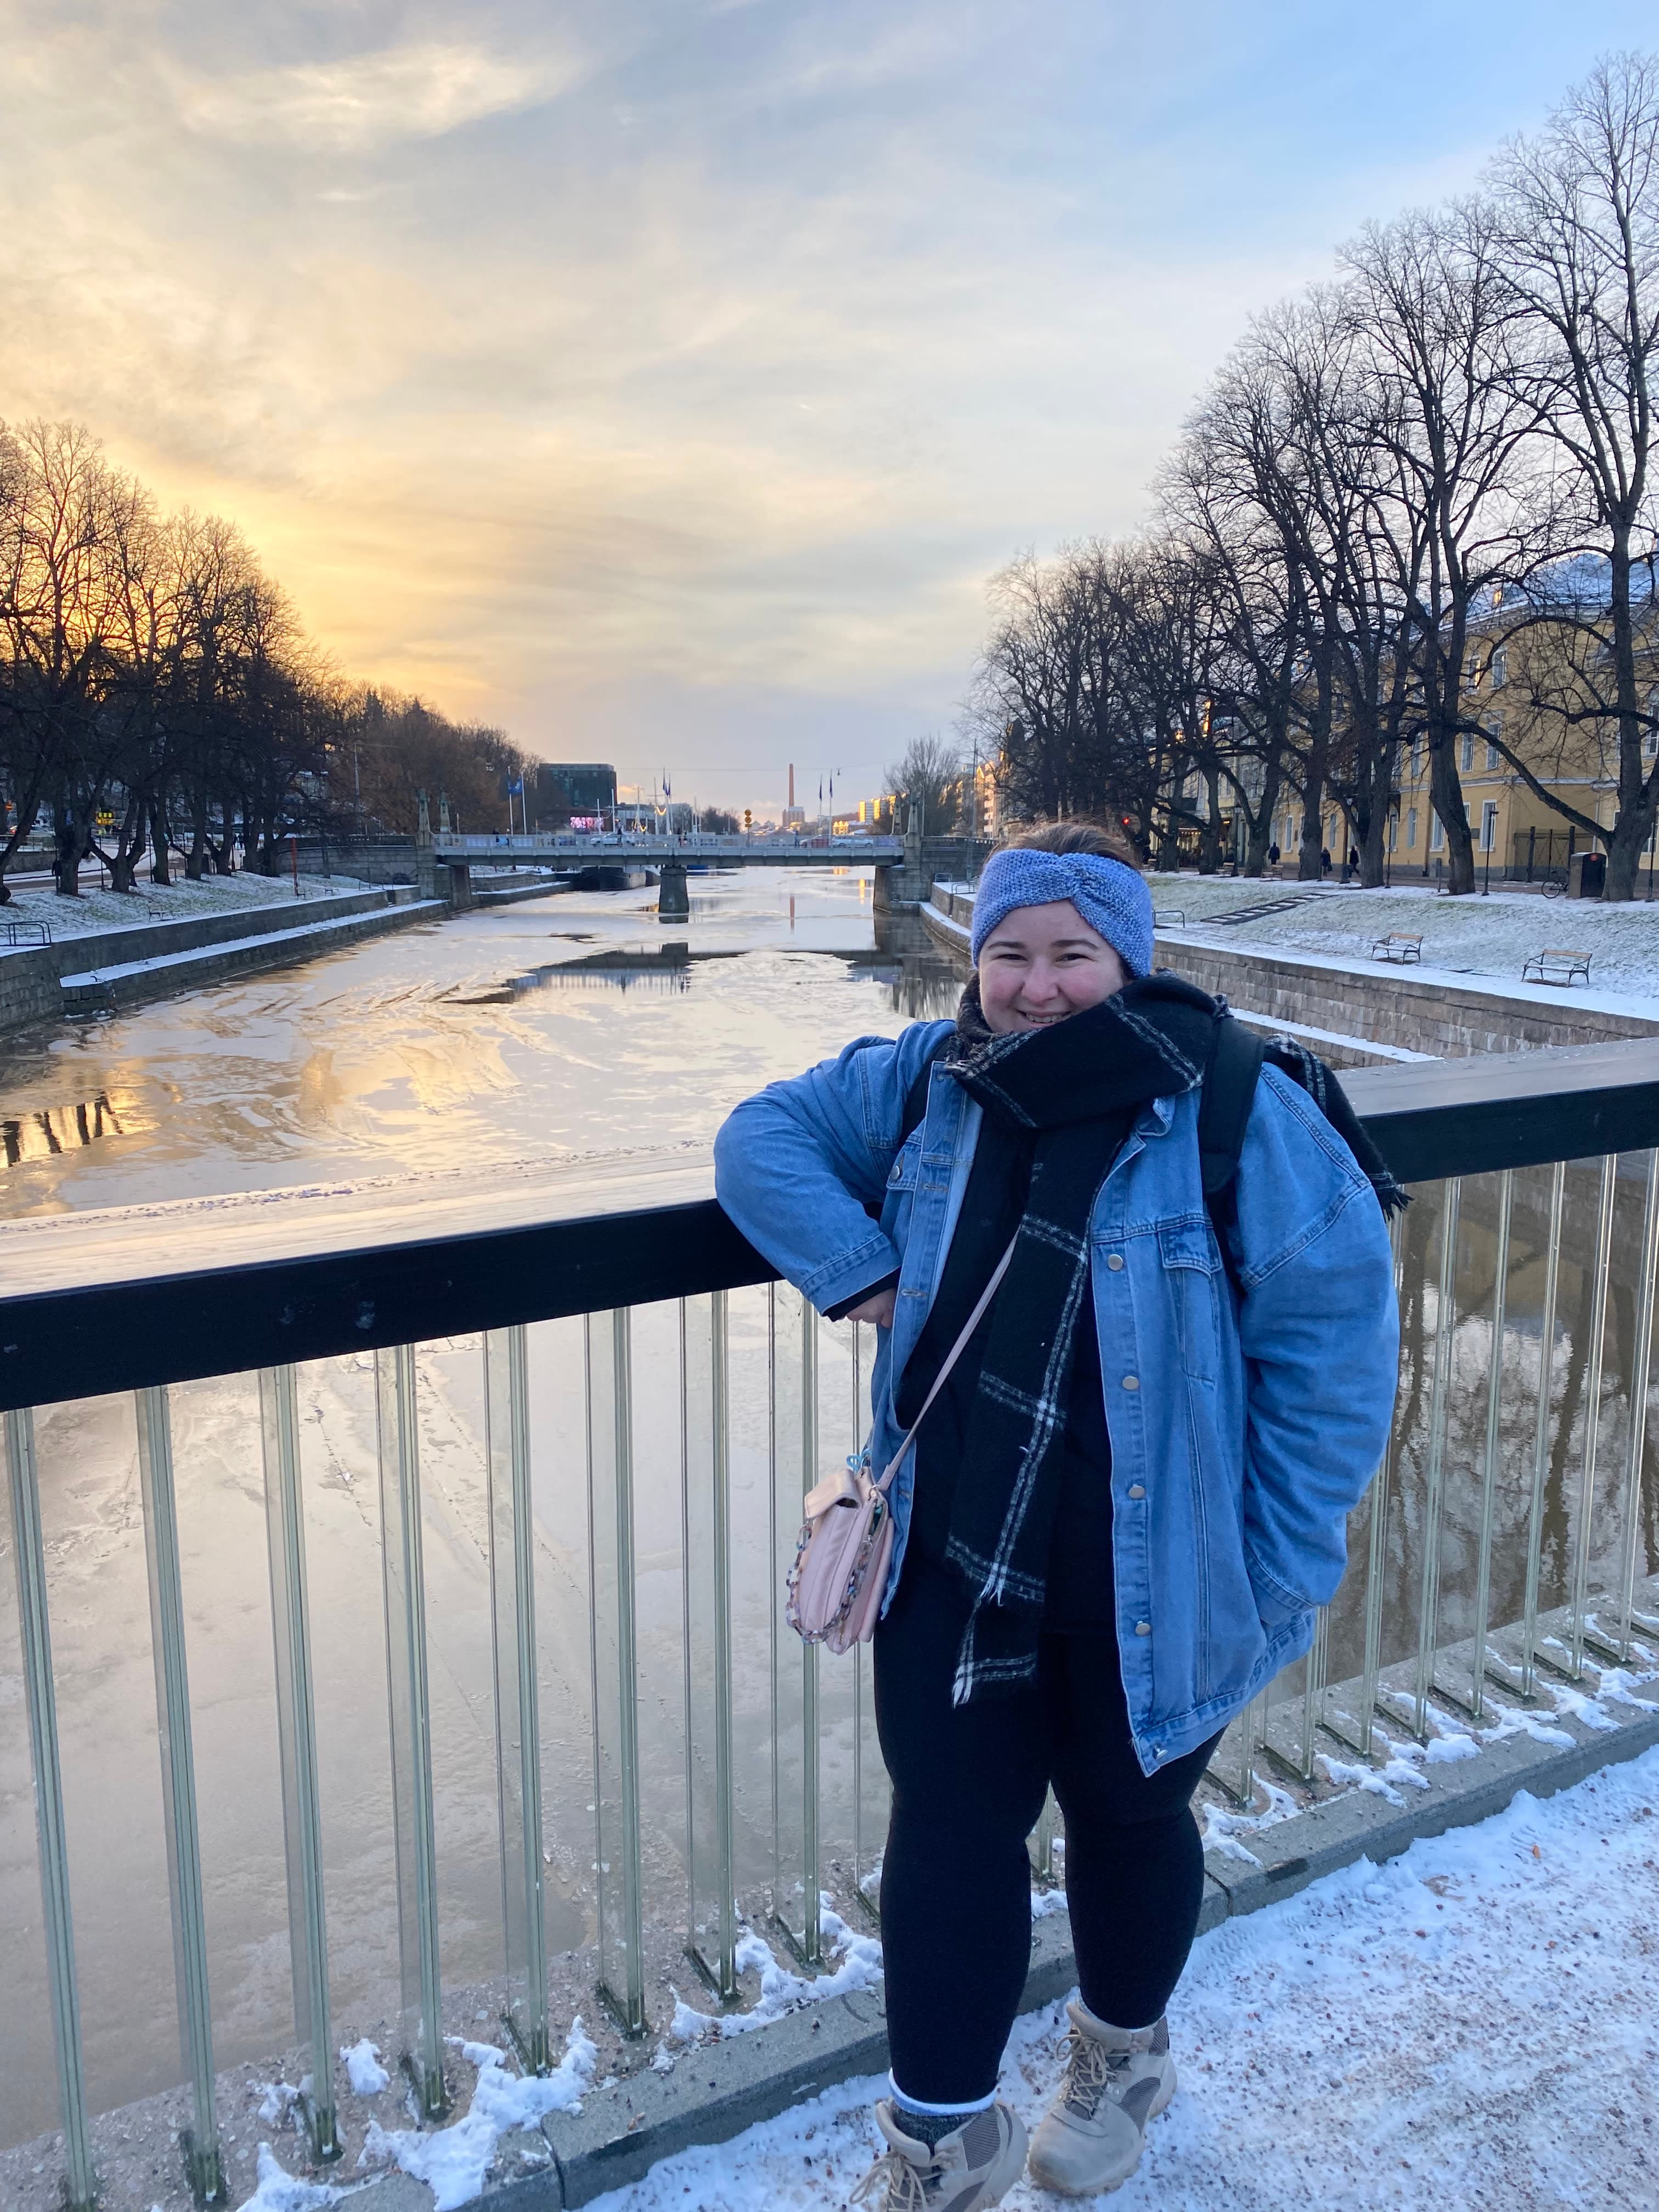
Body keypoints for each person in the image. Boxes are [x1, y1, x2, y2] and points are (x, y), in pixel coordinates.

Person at [714, 823, 1400, 2209]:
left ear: (1128, 962)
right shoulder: (928, 1078)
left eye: (1070, 955)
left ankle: (1121, 2058)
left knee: (1128, 1826)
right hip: (954, 1567)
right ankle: (941, 2147)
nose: (1033, 986)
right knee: (950, 1838)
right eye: (1008, 954)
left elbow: (1333, 1362)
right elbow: (761, 1139)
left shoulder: (1237, 1108)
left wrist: (1272, 1570)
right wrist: (858, 1270)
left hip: (1162, 1571)